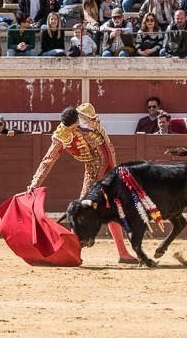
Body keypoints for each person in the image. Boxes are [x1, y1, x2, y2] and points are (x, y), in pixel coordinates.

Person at [27, 104, 135, 264]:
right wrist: (35, 182)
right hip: (93, 168)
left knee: (114, 208)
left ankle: (123, 253)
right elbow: (47, 161)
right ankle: (69, 252)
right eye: (71, 128)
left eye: (75, 126)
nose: (74, 129)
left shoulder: (85, 113)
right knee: (83, 211)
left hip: (109, 166)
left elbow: (103, 140)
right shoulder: (61, 136)